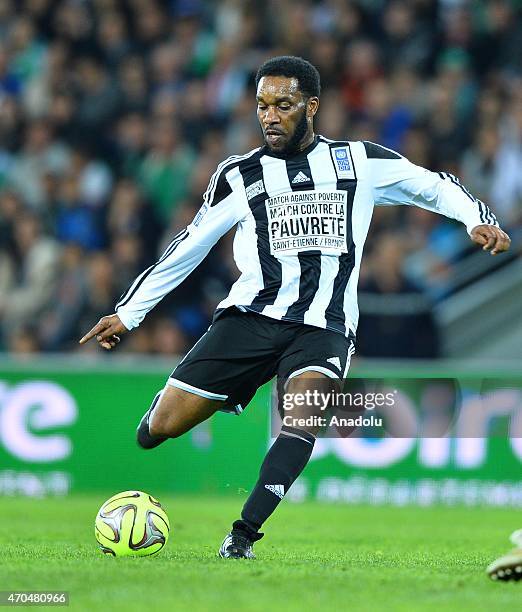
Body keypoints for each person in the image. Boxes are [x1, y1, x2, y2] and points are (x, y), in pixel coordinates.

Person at [79, 56, 511, 559]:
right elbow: (188, 246)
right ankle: (232, 390)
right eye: (262, 105)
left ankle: (242, 537)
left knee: (303, 415)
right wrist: (130, 312)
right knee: (157, 431)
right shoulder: (238, 175)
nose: (270, 116)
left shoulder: (357, 162)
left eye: (283, 105)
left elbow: (433, 185)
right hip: (250, 318)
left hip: (324, 326)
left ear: (312, 106)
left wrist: (474, 220)